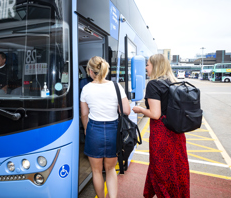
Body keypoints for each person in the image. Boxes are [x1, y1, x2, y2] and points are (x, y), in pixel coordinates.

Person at [132, 54, 190, 198]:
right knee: (176, 165)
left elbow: (155, 114)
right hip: (176, 131)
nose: (146, 68)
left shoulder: (153, 84)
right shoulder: (174, 82)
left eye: (148, 64)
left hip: (161, 133)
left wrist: (139, 109)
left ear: (155, 66)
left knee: (160, 166)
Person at [80, 56, 130, 198]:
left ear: (90, 71)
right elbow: (126, 110)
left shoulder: (86, 89)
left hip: (93, 130)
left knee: (96, 171)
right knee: (110, 169)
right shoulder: (116, 86)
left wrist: (86, 129)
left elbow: (84, 115)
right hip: (113, 130)